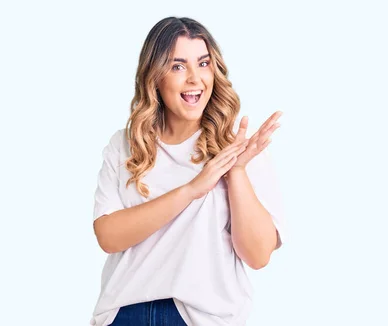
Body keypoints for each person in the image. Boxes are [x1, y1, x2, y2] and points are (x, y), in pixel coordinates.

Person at [89, 16, 286, 326]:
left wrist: (236, 172)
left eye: (203, 63)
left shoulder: (241, 146)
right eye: (178, 66)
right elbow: (109, 237)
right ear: (154, 77)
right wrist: (192, 189)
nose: (194, 78)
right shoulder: (126, 145)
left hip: (201, 318)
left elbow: (258, 256)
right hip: (125, 314)